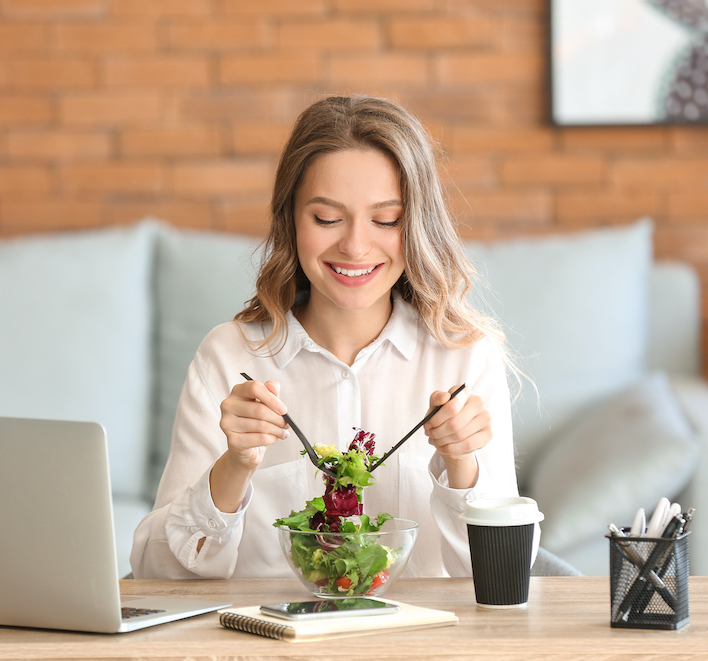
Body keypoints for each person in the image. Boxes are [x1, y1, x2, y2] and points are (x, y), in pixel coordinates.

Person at [130, 94, 519, 580]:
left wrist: (463, 466)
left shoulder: (465, 360)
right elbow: (154, 573)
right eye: (327, 219)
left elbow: (504, 576)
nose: (355, 246)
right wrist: (234, 466)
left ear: (417, 224)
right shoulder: (229, 357)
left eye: (386, 220)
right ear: (289, 220)